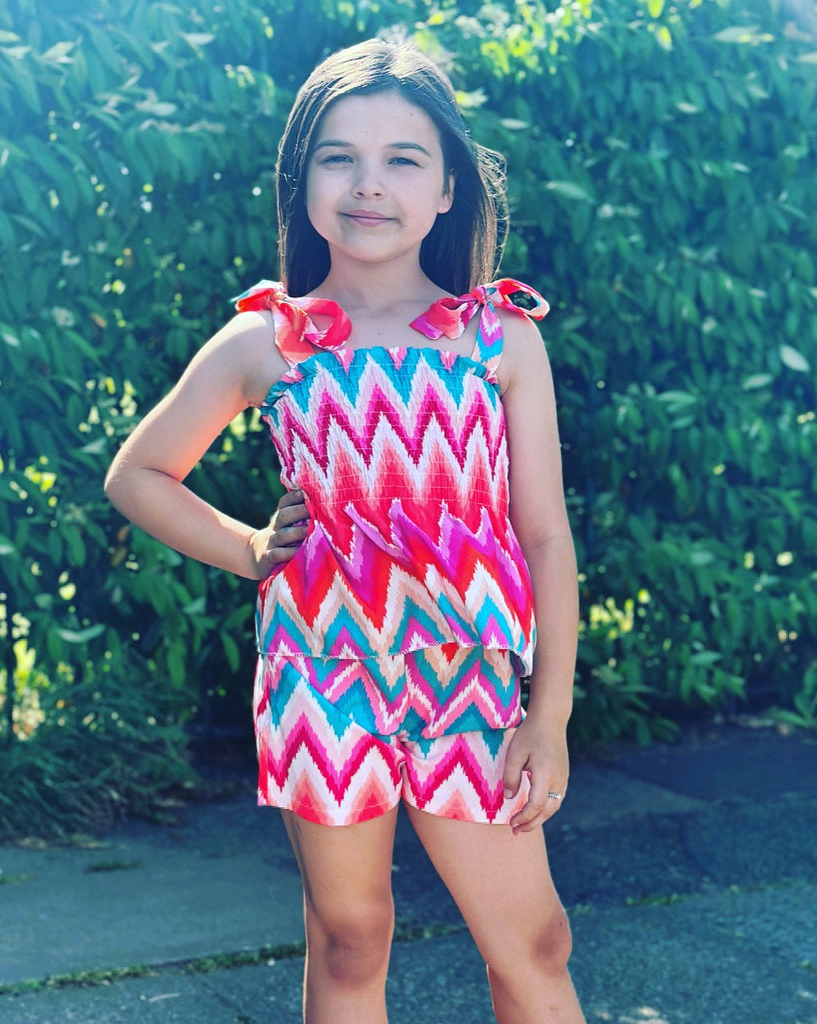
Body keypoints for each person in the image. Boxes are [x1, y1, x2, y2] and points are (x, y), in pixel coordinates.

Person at [104, 37, 585, 1024]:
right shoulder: (267, 340)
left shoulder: (498, 337)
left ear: (447, 189)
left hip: (470, 680)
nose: (369, 184)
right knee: (350, 935)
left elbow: (544, 537)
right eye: (339, 157)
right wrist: (247, 549)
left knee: (532, 938)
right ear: (302, 178)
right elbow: (138, 475)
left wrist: (550, 716)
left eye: (402, 159)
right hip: (319, 677)